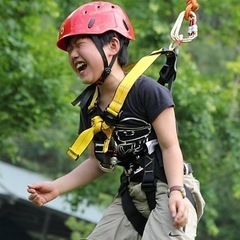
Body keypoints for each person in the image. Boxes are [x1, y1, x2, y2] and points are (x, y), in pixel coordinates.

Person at [27, 1, 205, 240]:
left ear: (112, 45)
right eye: (69, 49)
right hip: (132, 194)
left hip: (171, 186)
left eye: (79, 44)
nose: (73, 55)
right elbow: (97, 162)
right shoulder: (90, 108)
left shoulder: (147, 92)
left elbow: (170, 146)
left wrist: (176, 192)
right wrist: (58, 186)